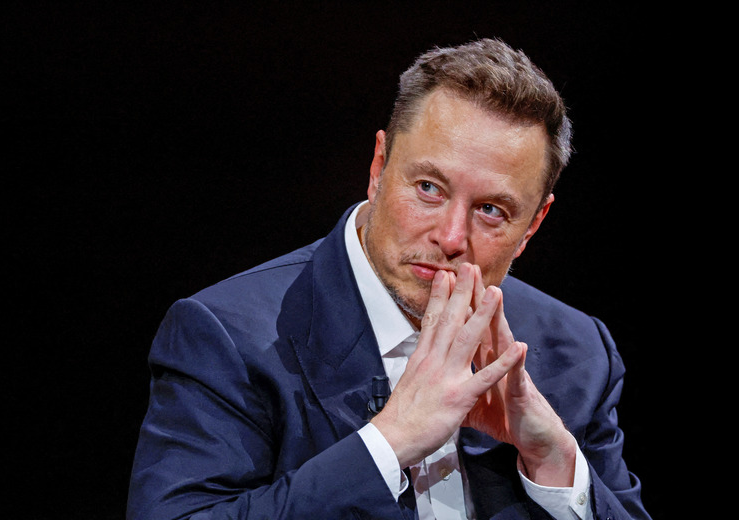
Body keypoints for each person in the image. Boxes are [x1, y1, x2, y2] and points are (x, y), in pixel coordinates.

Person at [127, 38, 650, 520]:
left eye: (491, 209)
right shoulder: (227, 337)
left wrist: (557, 464)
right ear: (379, 167)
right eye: (428, 187)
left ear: (533, 224)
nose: (450, 236)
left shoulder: (577, 351)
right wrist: (388, 442)